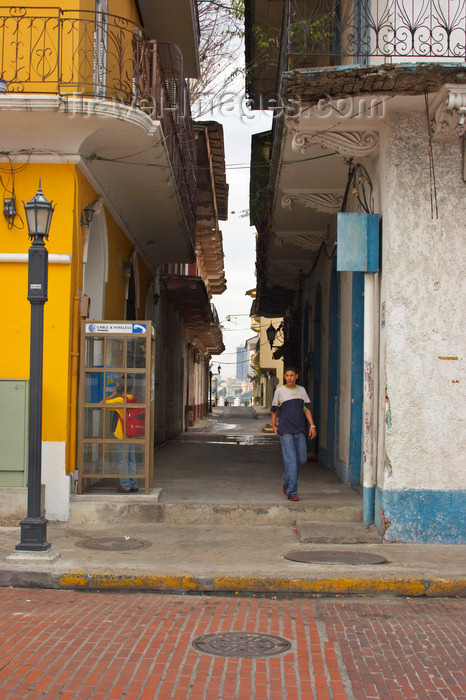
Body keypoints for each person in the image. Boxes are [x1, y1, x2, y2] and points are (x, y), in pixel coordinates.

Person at [271, 366, 317, 501]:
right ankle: (292, 491)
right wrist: (274, 426)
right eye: (287, 376)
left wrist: (312, 425)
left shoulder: (301, 391)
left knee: (301, 459)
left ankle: (287, 477)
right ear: (284, 377)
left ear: (296, 376)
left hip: (300, 430)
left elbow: (306, 409)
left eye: (292, 375)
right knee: (291, 461)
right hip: (285, 431)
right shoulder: (280, 391)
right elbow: (274, 410)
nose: (289, 378)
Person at [104, 377, 139, 493]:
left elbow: (102, 403)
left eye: (118, 384)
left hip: (121, 434)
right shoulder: (132, 398)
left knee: (122, 460)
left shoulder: (120, 399)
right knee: (131, 460)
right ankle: (134, 484)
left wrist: (113, 393)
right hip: (131, 434)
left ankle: (125, 485)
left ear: (120, 387)